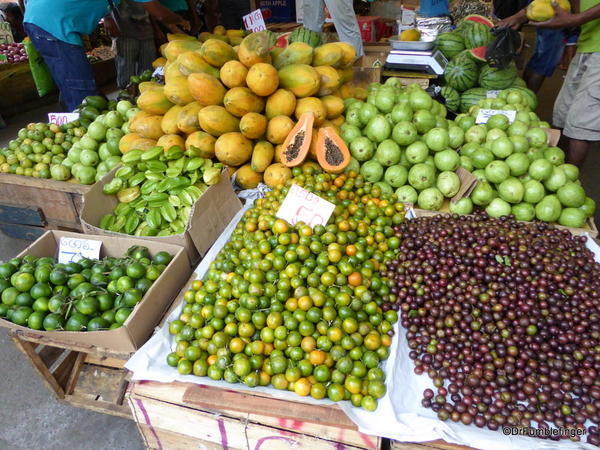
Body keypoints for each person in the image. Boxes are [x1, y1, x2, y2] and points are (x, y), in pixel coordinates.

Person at [22, 0, 189, 112]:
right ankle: (82, 137)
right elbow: (160, 13)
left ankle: (76, 116)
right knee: (81, 88)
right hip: (51, 23)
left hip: (42, 20)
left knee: (73, 81)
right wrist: (180, 20)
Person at [498, 1, 600, 167]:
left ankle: (569, 183)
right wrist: (520, 16)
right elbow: (553, 2)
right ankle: (556, 166)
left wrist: (576, 19)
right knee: (561, 116)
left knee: (579, 126)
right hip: (586, 44)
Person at [105, 0, 157, 89]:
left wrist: (156, 29)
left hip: (146, 30)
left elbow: (151, 7)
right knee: (126, 71)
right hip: (123, 32)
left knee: (148, 70)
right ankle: (126, 96)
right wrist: (107, 18)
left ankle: (146, 95)